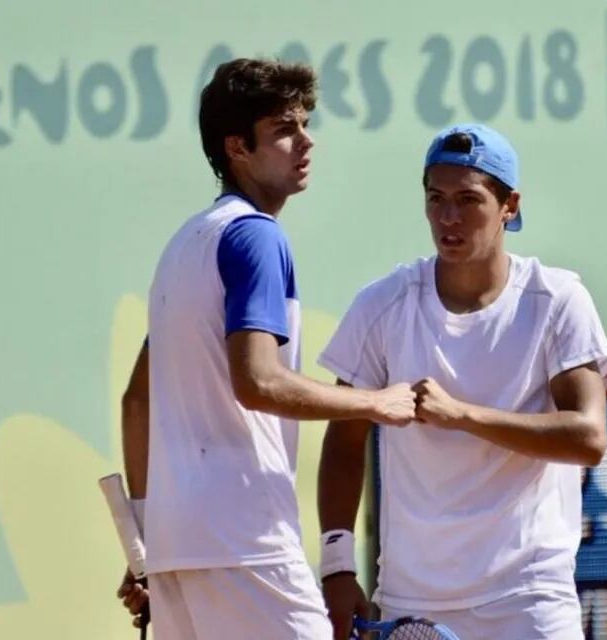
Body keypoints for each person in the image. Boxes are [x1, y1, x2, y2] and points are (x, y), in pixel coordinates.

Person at [115, 58, 417, 640]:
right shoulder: (255, 235)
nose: (306, 141)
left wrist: (148, 536)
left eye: (304, 123)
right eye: (284, 129)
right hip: (245, 540)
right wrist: (374, 403)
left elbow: (136, 401)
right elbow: (259, 381)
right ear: (238, 148)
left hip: (179, 552)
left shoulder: (184, 245)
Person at [317, 123, 607, 639]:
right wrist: (337, 568)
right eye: (435, 199)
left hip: (530, 595)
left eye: (467, 200)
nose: (448, 218)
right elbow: (345, 443)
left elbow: (588, 438)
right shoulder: (382, 305)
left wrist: (463, 416)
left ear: (510, 205)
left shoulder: (558, 300)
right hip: (413, 600)